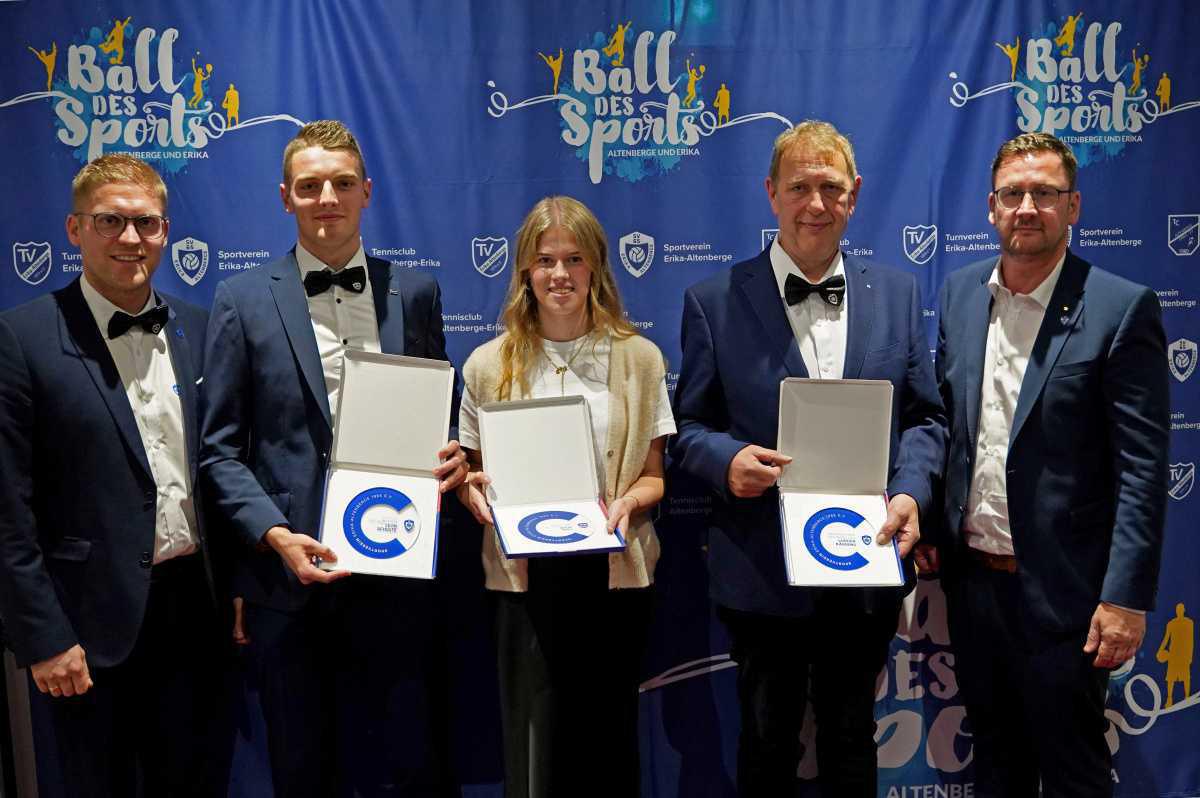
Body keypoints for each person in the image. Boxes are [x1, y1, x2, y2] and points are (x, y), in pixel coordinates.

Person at [670, 120, 946, 796]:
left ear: (855, 196)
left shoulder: (900, 295)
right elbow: (686, 425)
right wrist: (726, 461)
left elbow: (926, 417)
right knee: (766, 743)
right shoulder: (712, 302)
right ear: (771, 193)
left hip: (866, 564)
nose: (814, 204)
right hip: (761, 567)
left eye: (830, 188)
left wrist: (911, 491)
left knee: (853, 736)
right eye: (799, 187)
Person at [200, 119, 467, 797]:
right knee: (304, 771)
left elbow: (442, 412)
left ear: (367, 192)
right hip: (291, 585)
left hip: (399, 577)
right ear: (285, 198)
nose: (328, 198)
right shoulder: (240, 298)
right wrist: (275, 536)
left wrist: (453, 459)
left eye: (342, 183)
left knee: (407, 769)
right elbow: (221, 451)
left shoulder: (418, 291)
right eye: (310, 185)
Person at [923, 131, 1170, 797]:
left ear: (1074, 206)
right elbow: (945, 426)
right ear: (991, 207)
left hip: (1070, 597)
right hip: (975, 590)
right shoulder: (958, 294)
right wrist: (923, 519)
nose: (1027, 206)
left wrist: (1124, 599)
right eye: (1013, 194)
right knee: (996, 770)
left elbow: (1144, 469)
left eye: (1045, 193)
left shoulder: (1120, 308)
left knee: (1074, 775)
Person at [0, 154, 226, 796]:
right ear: (75, 230)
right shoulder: (21, 338)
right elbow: (8, 510)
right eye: (111, 222)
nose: (131, 240)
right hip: (86, 625)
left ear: (166, 230)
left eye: (147, 224)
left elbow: (220, 469)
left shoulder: (201, 328)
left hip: (196, 613)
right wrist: (43, 637)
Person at [456, 196, 674, 797]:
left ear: (596, 268)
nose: (560, 274)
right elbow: (473, 477)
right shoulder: (485, 365)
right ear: (525, 269)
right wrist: (476, 499)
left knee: (606, 746)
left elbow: (655, 476)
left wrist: (630, 505)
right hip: (522, 582)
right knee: (532, 752)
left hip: (612, 577)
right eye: (545, 259)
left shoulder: (640, 359)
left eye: (574, 259)